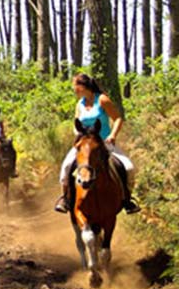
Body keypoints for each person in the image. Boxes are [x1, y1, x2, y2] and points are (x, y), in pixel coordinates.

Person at [55, 73, 138, 214]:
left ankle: (127, 199)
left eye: (75, 86)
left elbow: (118, 118)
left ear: (83, 86)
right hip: (84, 144)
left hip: (103, 142)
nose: (74, 89)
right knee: (66, 168)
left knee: (128, 168)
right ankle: (66, 199)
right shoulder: (79, 104)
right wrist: (79, 134)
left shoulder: (102, 100)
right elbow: (76, 123)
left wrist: (112, 135)